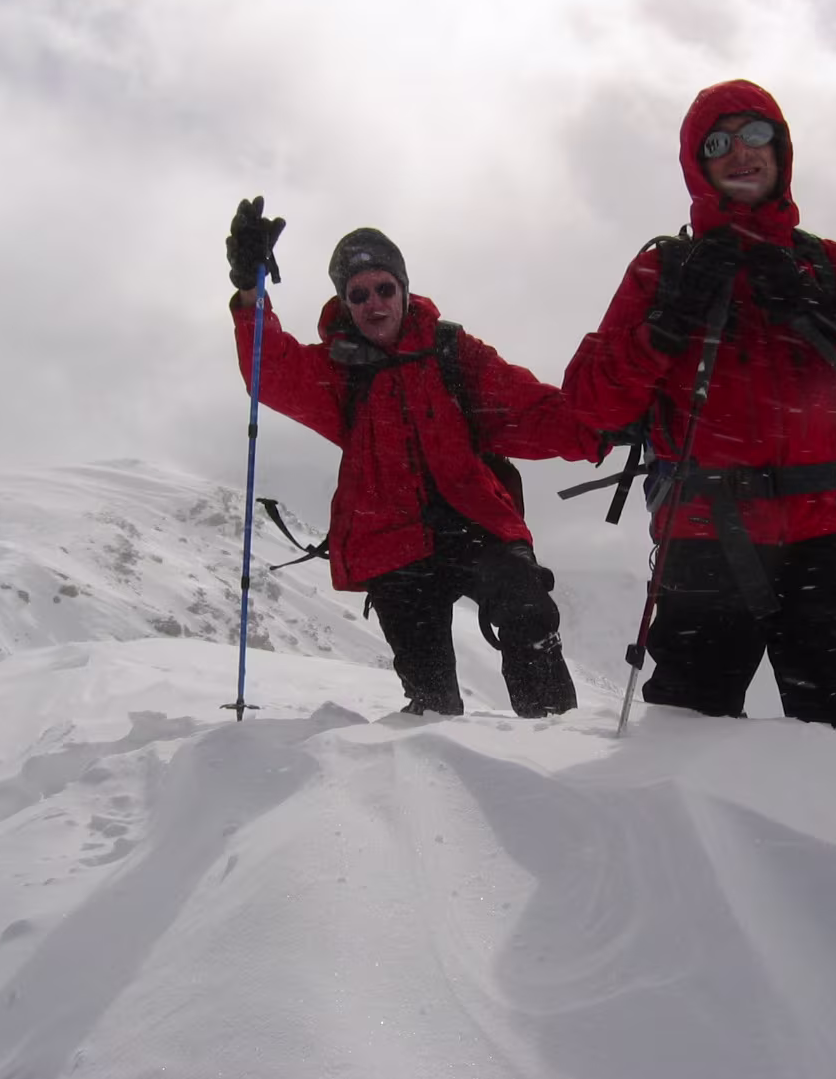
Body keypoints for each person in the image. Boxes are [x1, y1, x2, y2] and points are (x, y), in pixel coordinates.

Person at [561, 79, 836, 740]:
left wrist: (827, 312)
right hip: (707, 539)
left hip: (816, 542)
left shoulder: (825, 267)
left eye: (756, 134)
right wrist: (664, 328)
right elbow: (589, 403)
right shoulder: (664, 273)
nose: (740, 152)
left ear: (781, 150)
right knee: (685, 751)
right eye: (718, 143)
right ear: (696, 164)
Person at [225, 199, 600, 718]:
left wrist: (601, 427)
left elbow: (528, 409)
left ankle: (555, 737)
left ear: (403, 289)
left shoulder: (452, 352)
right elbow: (270, 370)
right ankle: (437, 760)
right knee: (431, 699)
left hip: (473, 523)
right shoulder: (338, 370)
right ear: (346, 304)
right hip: (390, 544)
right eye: (359, 294)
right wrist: (251, 291)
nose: (374, 303)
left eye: (384, 288)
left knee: (527, 611)